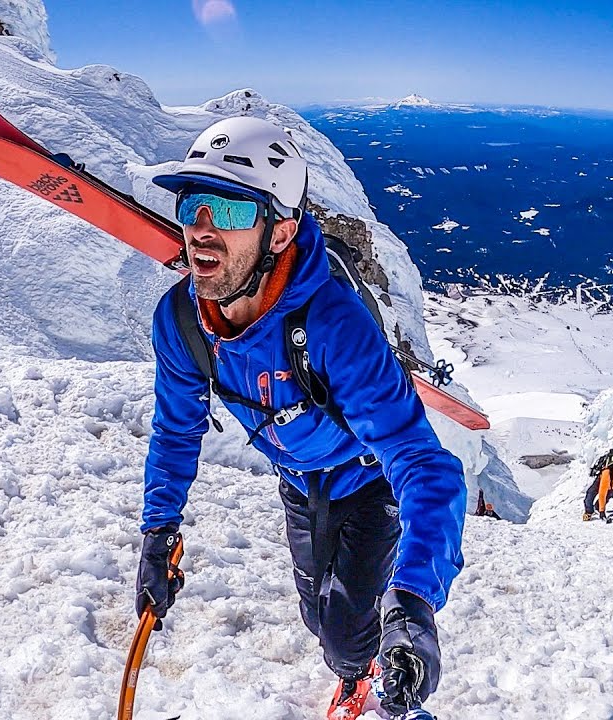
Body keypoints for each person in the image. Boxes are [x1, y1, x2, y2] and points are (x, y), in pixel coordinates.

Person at [134, 117, 466, 720]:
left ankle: (379, 683)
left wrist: (414, 603)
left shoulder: (333, 327)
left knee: (345, 628)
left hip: (367, 483)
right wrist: (159, 533)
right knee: (317, 613)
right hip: (296, 482)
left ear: (281, 233)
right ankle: (353, 666)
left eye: (230, 213)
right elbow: (176, 430)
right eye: (192, 207)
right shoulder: (182, 321)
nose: (201, 233)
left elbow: (426, 466)